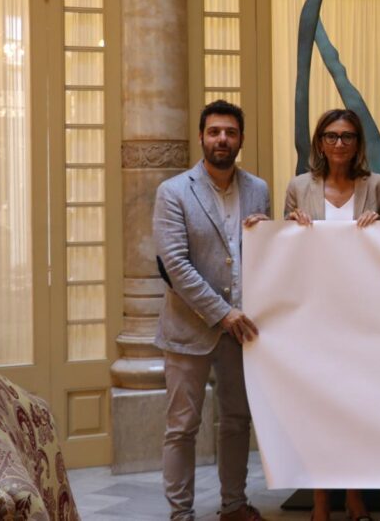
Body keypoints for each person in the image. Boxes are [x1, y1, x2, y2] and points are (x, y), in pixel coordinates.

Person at [154, 100, 269, 521]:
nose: (223, 139)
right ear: (201, 137)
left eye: (230, 132)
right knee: (182, 427)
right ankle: (181, 514)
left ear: (241, 139)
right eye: (215, 131)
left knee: (237, 421)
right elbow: (175, 265)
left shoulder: (258, 189)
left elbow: (263, 254)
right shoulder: (173, 191)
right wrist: (222, 313)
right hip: (190, 329)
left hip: (242, 330)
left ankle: (234, 505)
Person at [284, 108, 380, 521]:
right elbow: (284, 252)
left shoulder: (378, 186)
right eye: (331, 136)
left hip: (363, 315)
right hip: (314, 315)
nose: (339, 143)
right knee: (317, 410)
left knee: (356, 408)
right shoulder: (299, 187)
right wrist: (287, 226)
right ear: (319, 142)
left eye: (348, 136)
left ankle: (354, 495)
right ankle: (320, 499)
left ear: (358, 143)